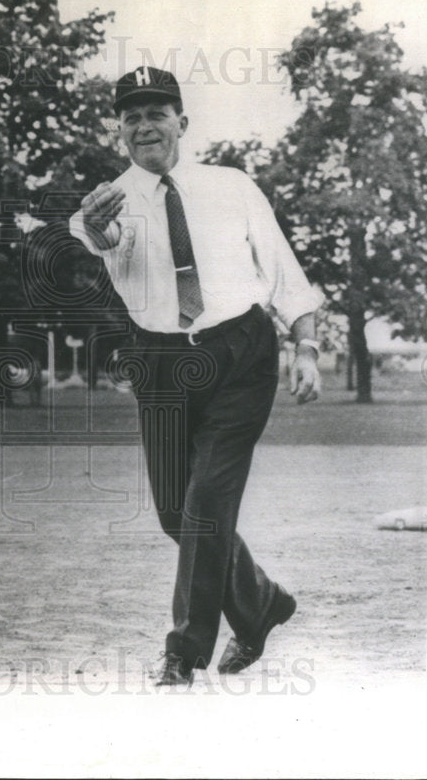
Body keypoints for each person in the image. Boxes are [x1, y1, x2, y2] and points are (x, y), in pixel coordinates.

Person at [67, 66, 323, 686]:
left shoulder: (232, 186)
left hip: (241, 353)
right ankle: (261, 603)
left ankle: (183, 650)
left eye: (158, 113)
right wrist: (96, 228)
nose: (144, 125)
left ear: (183, 122)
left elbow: (283, 269)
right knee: (173, 512)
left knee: (206, 501)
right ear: (119, 131)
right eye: (131, 116)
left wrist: (307, 345)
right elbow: (100, 242)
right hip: (159, 361)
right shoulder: (103, 206)